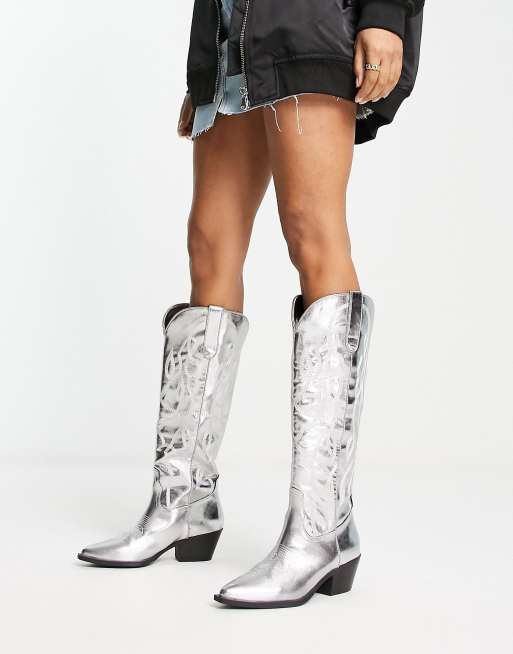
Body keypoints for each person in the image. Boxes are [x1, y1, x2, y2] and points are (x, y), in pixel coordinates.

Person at [78, 0, 424, 609]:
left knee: (311, 231)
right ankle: (183, 501)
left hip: (311, 25)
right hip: (233, 40)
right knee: (208, 243)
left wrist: (387, 15)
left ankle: (323, 527)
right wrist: (205, 66)